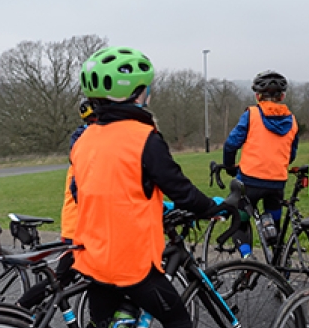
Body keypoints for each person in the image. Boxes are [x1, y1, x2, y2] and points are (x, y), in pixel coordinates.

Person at [71, 46, 231, 328]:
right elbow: (179, 188)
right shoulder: (144, 138)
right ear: (135, 93)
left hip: (94, 259)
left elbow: (80, 192)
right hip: (131, 263)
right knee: (180, 322)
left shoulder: (84, 140)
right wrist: (212, 207)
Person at [16, 98, 96, 308]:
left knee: (66, 281)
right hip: (81, 228)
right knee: (60, 281)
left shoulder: (83, 143)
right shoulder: (89, 148)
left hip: (80, 225)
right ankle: (21, 310)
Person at [223, 70, 298, 258]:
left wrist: (230, 166)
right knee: (274, 226)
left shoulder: (252, 115)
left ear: (257, 96)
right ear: (282, 96)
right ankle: (280, 265)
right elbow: (291, 154)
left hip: (249, 180)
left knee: (239, 219)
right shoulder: (292, 120)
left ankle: (248, 258)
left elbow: (231, 144)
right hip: (277, 183)